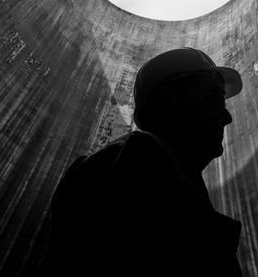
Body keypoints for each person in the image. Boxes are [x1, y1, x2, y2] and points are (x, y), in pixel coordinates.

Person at [39, 47, 244, 276]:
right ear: (171, 102)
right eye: (213, 100)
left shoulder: (154, 174)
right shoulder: (131, 170)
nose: (227, 117)